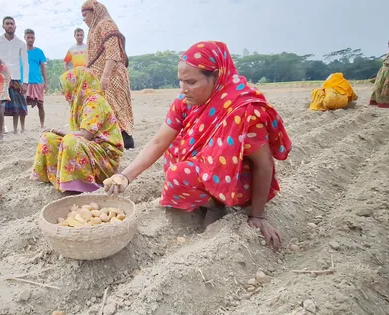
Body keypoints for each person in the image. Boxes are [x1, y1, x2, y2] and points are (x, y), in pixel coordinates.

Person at [103, 41, 292, 251]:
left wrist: (257, 215)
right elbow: (159, 141)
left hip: (236, 177)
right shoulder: (184, 102)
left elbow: (264, 164)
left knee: (178, 175)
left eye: (191, 82)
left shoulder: (243, 110)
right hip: (208, 166)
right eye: (181, 81)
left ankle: (219, 203)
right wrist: (126, 176)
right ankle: (212, 201)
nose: (184, 89)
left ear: (217, 76)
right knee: (173, 152)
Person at [30, 66, 124, 193]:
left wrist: (61, 132)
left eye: (66, 89)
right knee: (48, 138)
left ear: (77, 85)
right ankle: (57, 178)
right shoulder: (82, 103)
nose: (65, 94)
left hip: (105, 158)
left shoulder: (95, 101)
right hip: (91, 149)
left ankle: (81, 184)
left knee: (70, 141)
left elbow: (85, 135)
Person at [81, 0, 135, 149]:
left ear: (95, 12)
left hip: (111, 74)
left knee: (115, 107)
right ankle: (110, 137)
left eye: (86, 15)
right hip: (99, 75)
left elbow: (112, 52)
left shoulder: (106, 24)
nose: (84, 19)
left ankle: (125, 139)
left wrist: (105, 77)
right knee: (103, 107)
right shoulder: (93, 29)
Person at [0, 16, 29, 133]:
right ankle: (0, 130)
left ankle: (16, 130)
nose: (10, 26)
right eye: (7, 23)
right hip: (0, 78)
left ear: (15, 26)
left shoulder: (21, 44)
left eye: (12, 24)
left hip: (16, 78)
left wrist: (26, 83)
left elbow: (25, 63)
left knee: (17, 106)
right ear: (3, 26)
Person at [23, 29, 49, 128]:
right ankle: (22, 127)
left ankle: (42, 125)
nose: (30, 39)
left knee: (40, 104)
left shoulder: (39, 52)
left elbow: (43, 67)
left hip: (37, 82)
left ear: (34, 38)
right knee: (23, 105)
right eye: (28, 37)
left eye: (32, 37)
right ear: (24, 38)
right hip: (25, 82)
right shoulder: (21, 51)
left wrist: (46, 82)